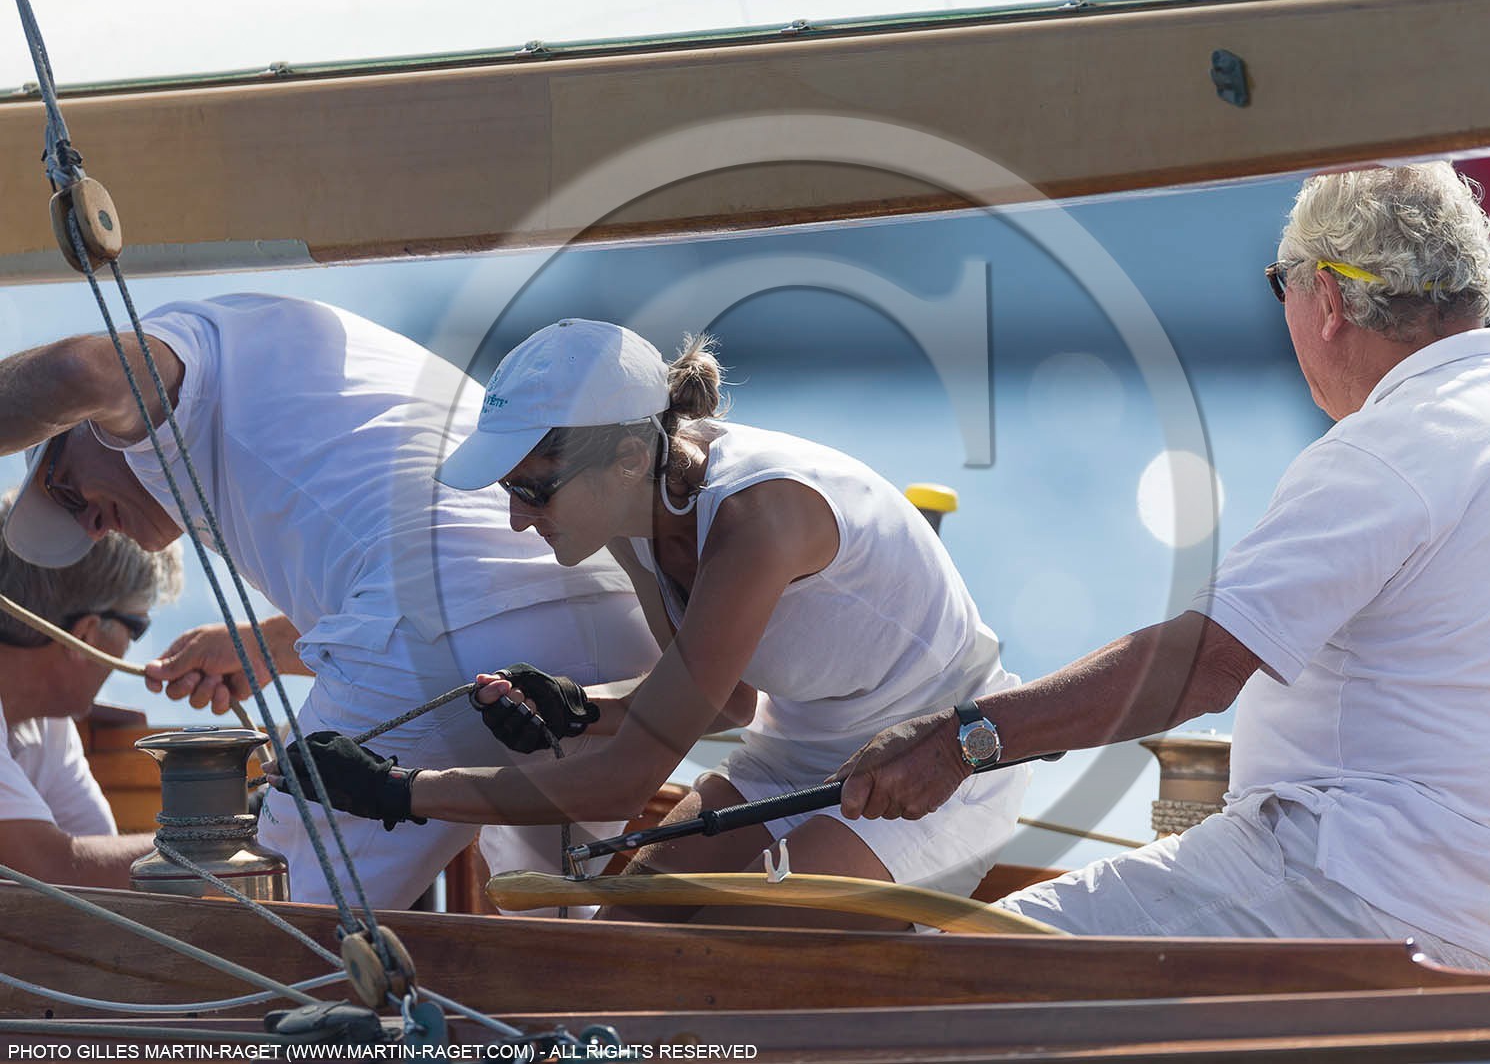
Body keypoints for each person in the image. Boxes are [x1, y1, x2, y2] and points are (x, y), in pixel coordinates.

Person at [829, 162, 1490, 980]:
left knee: (941, 974)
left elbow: (1199, 666)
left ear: (1330, 301)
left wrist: (964, 741)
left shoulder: (1395, 447)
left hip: (1344, 900)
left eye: (1284, 287)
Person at [275, 319, 1031, 929]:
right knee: (615, 946)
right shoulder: (636, 508)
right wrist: (582, 705)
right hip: (800, 756)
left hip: (935, 768)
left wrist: (400, 790)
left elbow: (628, 776)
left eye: (533, 490)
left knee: (710, 972)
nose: (514, 519)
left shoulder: (755, 522)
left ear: (630, 455)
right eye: (509, 488)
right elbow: (730, 703)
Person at [0, 294, 659, 909]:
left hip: (444, 622)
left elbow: (76, 369)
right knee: (544, 912)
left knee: (263, 920)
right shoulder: (277, 360)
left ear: (95, 426)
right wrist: (269, 644)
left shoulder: (170, 369)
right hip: (605, 604)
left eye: (66, 490)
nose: (88, 524)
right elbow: (440, 538)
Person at [0, 490, 182, 888]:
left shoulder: (47, 721)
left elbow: (97, 855)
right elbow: (50, 871)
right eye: (138, 627)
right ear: (84, 634)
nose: (135, 646)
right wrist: (231, 840)